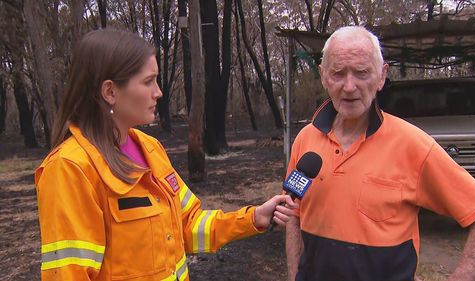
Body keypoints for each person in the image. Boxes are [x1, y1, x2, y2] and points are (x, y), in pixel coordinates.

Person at [35, 29, 296, 281]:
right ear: (110, 92)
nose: (159, 92)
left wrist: (253, 217)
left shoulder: (150, 149)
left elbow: (188, 226)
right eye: (148, 81)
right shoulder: (70, 169)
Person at [285, 26, 475, 281]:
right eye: (338, 73)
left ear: (381, 76)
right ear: (323, 76)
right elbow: (293, 215)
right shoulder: (305, 140)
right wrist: (293, 275)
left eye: (362, 73)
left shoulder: (413, 145)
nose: (349, 86)